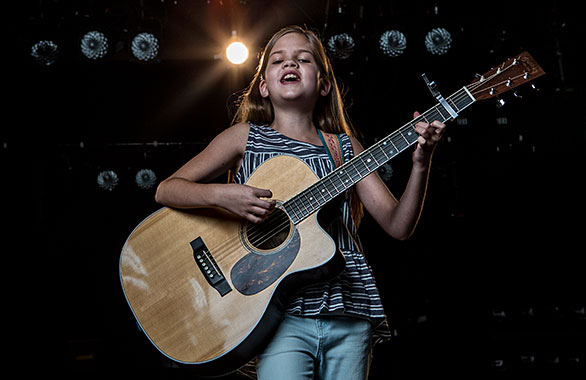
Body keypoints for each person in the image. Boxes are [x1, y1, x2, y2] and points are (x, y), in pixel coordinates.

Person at [154, 25, 445, 380]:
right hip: (277, 314)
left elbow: (398, 226)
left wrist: (421, 162)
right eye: (277, 60)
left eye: (303, 59)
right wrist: (222, 195)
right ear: (263, 86)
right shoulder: (244, 137)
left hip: (349, 311)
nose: (289, 63)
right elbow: (167, 190)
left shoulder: (345, 149)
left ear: (323, 85)